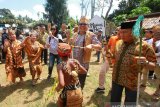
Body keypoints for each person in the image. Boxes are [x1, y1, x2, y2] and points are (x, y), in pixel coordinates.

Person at [110, 21, 156, 106]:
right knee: (114, 103)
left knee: (129, 105)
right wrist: (110, 55)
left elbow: (153, 66)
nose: (121, 35)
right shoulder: (119, 43)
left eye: (125, 32)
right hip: (116, 79)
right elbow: (115, 57)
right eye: (120, 32)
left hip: (132, 82)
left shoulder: (144, 46)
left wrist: (145, 62)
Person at [71, 16, 101, 89]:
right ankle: (74, 96)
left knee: (80, 83)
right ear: (78, 25)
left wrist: (91, 45)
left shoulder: (91, 35)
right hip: (73, 62)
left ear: (87, 26)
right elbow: (71, 45)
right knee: (73, 81)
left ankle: (79, 96)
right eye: (81, 24)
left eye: (84, 24)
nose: (82, 26)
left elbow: (99, 46)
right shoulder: (75, 35)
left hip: (83, 64)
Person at [56, 43, 87, 107]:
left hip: (68, 92)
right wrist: (75, 72)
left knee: (60, 103)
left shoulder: (60, 66)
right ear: (69, 53)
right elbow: (85, 71)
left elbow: (62, 84)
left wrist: (57, 88)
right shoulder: (75, 61)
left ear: (59, 54)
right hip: (78, 90)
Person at [152, 25, 160, 100]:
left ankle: (158, 92)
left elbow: (156, 53)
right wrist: (153, 44)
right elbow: (153, 51)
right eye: (154, 33)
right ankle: (157, 91)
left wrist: (155, 55)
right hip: (157, 63)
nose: (155, 34)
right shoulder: (156, 41)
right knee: (158, 78)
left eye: (157, 33)